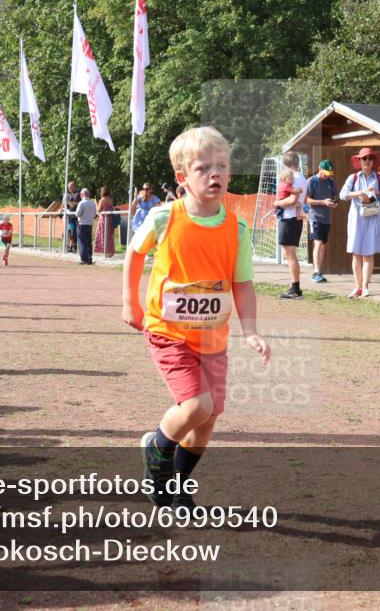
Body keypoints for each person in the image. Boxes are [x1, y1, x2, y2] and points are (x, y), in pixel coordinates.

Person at [122, 126, 270, 510]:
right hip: (167, 331)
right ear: (182, 177)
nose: (215, 174)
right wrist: (130, 303)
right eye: (204, 167)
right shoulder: (162, 217)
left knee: (207, 420)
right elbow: (135, 255)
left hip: (212, 339)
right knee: (196, 406)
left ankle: (177, 487)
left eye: (222, 166)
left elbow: (243, 283)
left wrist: (250, 331)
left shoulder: (236, 228)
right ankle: (156, 453)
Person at [339, 147, 380, 298]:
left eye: (370, 158)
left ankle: (365, 287)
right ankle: (357, 287)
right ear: (359, 160)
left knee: (368, 253)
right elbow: (342, 194)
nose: (368, 161)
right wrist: (358, 193)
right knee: (356, 253)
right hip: (356, 217)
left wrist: (377, 192)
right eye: (364, 158)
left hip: (372, 216)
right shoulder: (354, 178)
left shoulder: (378, 178)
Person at [275, 151, 308, 300]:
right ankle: (294, 286)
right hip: (294, 218)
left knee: (290, 254)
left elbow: (291, 201)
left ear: (286, 164)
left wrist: (276, 203)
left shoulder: (293, 178)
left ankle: (296, 289)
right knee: (288, 254)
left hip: (289, 218)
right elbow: (301, 200)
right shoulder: (303, 178)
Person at [306, 159, 339, 284]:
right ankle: (316, 272)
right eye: (325, 173)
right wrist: (322, 202)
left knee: (323, 246)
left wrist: (334, 203)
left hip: (327, 218)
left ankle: (319, 271)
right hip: (315, 217)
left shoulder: (331, 181)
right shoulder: (311, 181)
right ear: (320, 169)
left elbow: (335, 197)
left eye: (329, 173)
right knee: (318, 243)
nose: (327, 175)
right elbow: (307, 200)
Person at [76, 188, 97, 265]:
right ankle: (89, 258)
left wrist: (77, 214)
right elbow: (95, 214)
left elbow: (78, 213)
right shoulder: (93, 203)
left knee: (81, 242)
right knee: (88, 242)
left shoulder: (81, 203)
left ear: (82, 195)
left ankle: (83, 258)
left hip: (81, 224)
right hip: (89, 224)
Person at [94, 186, 116, 258]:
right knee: (109, 236)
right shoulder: (111, 200)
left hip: (103, 219)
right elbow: (112, 209)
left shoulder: (102, 200)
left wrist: (96, 204)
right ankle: (110, 251)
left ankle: (104, 251)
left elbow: (98, 210)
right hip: (110, 219)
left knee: (102, 235)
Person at [64, 181, 80, 253]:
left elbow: (77, 204)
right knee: (69, 232)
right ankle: (70, 246)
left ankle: (74, 246)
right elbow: (66, 205)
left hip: (76, 216)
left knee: (74, 232)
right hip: (69, 216)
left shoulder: (78, 194)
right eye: (68, 187)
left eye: (70, 187)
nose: (69, 188)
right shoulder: (68, 195)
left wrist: (70, 202)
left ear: (74, 186)